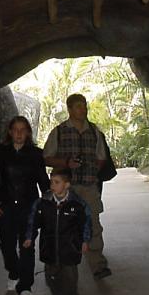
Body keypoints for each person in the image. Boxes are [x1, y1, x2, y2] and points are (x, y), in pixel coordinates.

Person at [44, 94, 112, 280]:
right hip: (66, 189)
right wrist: (66, 162)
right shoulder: (59, 131)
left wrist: (92, 170)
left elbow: (101, 157)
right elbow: (47, 157)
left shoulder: (94, 131)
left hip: (89, 186)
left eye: (84, 106)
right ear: (70, 109)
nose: (83, 109)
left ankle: (97, 265)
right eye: (78, 106)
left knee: (94, 226)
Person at [0, 116, 50, 295]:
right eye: (16, 129)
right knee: (7, 246)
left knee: (27, 246)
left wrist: (52, 202)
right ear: (10, 132)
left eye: (23, 129)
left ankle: (25, 285)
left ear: (28, 132)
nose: (19, 133)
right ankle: (14, 272)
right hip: (5, 208)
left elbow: (43, 181)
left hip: (29, 207)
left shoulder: (36, 154)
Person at [23, 167, 92, 295]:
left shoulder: (78, 204)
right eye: (51, 182)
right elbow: (32, 220)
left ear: (67, 185)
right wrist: (30, 236)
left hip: (70, 247)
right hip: (49, 246)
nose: (52, 185)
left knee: (70, 275)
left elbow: (85, 222)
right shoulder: (43, 203)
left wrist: (85, 240)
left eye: (56, 182)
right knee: (51, 275)